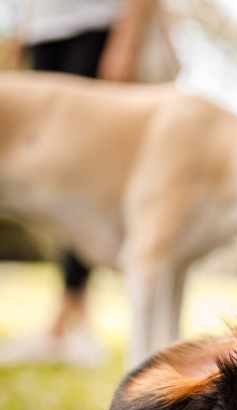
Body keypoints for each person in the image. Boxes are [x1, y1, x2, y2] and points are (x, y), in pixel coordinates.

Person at [12, 0, 171, 363]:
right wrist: (22, 29)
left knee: (84, 180)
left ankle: (76, 317)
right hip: (44, 30)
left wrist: (126, 42)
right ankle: (59, 322)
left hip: (97, 27)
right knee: (53, 181)